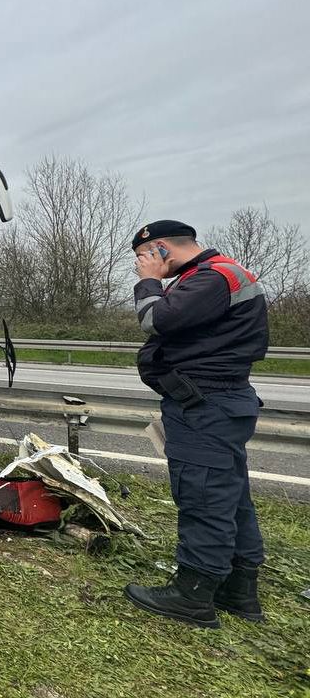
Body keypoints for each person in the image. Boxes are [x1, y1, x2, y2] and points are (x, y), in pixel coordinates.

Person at [123, 220, 269, 629]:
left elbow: (157, 319)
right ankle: (238, 590)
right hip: (217, 403)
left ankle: (193, 594)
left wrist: (149, 282)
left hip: (205, 406)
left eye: (143, 256)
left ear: (160, 248)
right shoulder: (217, 275)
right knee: (230, 497)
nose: (140, 265)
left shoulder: (212, 277)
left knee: (203, 495)